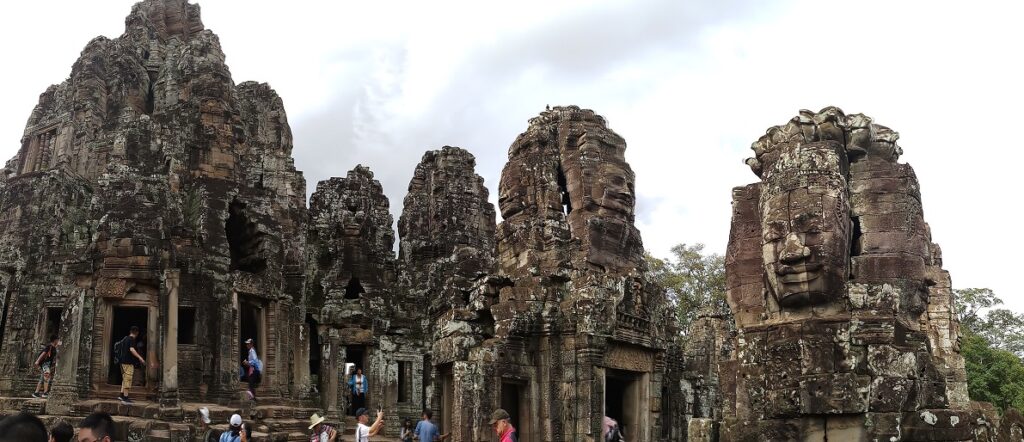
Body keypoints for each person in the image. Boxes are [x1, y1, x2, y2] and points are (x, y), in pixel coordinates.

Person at [115, 326, 146, 403]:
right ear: (137, 333)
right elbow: (131, 349)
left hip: (122, 362)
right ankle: (125, 397)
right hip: (128, 363)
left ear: (130, 331)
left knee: (125, 378)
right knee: (128, 379)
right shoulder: (131, 339)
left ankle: (121, 395)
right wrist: (140, 357)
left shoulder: (125, 338)